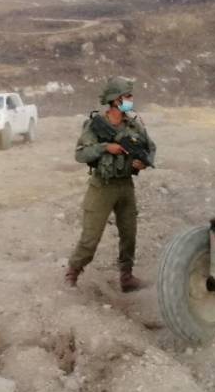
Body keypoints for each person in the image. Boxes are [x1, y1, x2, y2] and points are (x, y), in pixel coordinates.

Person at [64, 77, 156, 293]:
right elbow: (80, 154)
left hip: (125, 185)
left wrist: (141, 163)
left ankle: (126, 277)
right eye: (127, 96)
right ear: (115, 100)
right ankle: (72, 272)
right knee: (91, 236)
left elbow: (150, 148)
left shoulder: (134, 124)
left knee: (129, 234)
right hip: (102, 186)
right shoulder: (95, 125)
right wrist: (106, 147)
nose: (130, 100)